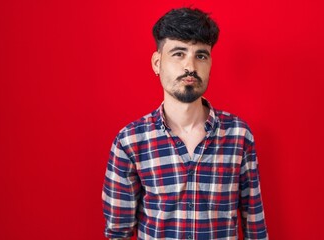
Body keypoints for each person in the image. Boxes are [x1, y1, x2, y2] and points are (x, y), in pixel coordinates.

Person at [102, 7, 268, 240]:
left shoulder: (238, 135)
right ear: (157, 63)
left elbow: (255, 226)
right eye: (178, 53)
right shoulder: (130, 141)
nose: (190, 66)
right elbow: (118, 232)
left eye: (201, 55)